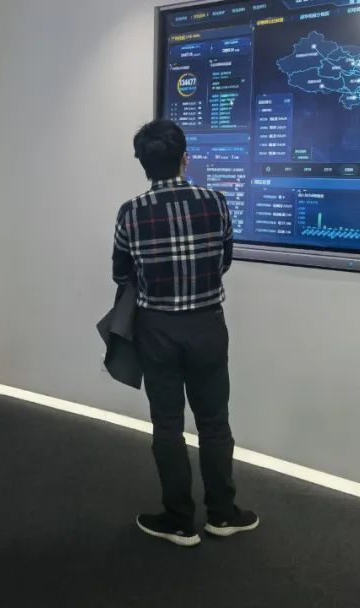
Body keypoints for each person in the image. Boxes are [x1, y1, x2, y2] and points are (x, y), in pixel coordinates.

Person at [113, 119, 259, 547]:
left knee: (167, 425)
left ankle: (178, 521)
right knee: (214, 422)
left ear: (144, 165)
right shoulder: (216, 202)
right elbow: (224, 260)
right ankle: (223, 514)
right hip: (207, 325)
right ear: (185, 158)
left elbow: (121, 273)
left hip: (156, 329)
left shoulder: (131, 212)